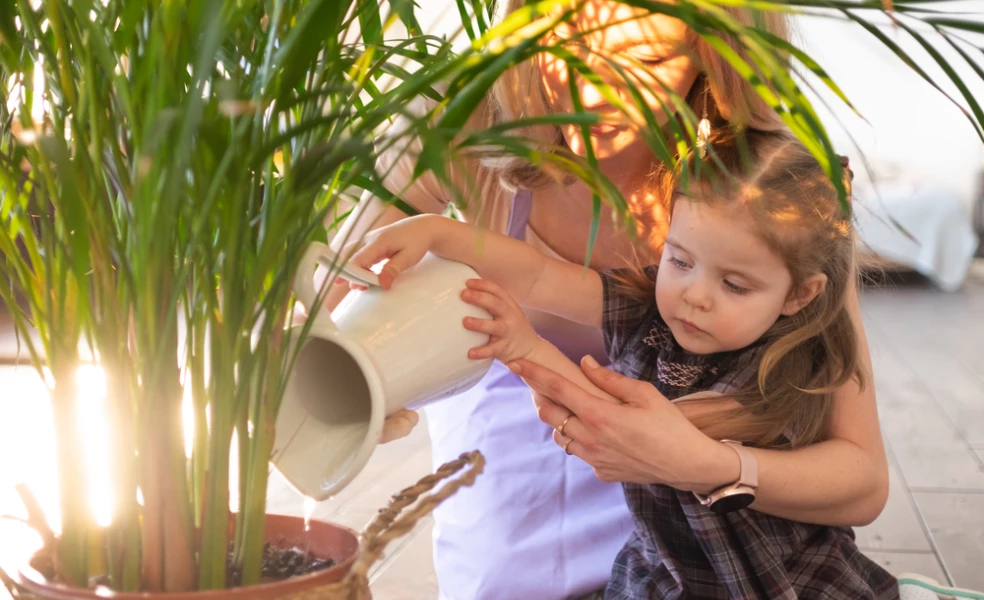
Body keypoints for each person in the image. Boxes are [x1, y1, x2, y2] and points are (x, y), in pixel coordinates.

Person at [321, 3, 888, 598]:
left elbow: (862, 482)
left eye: (645, 59)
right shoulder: (466, 125)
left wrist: (703, 465)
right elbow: (323, 293)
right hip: (518, 436)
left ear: (712, 58)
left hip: (707, 479)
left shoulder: (779, 190)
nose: (590, 94)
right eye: (565, 45)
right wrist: (349, 379)